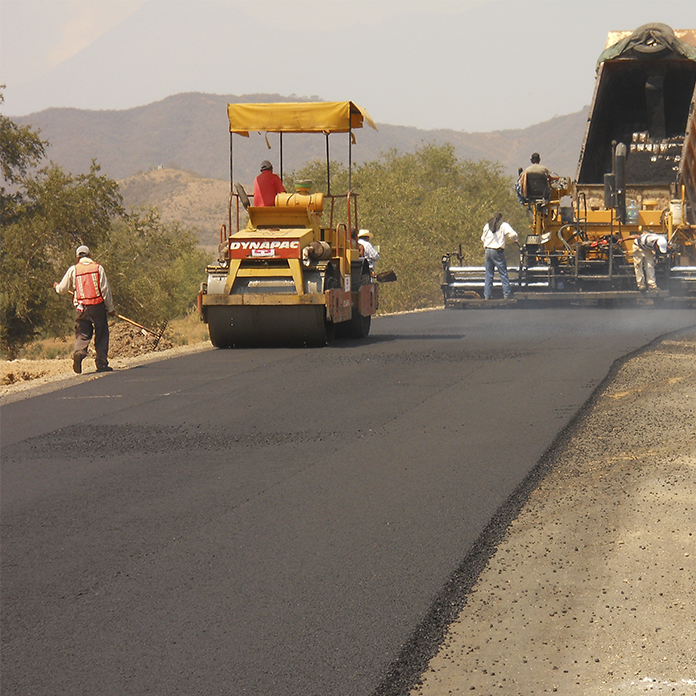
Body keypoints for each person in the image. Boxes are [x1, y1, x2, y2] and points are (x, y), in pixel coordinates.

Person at [54, 245, 115, 374]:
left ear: (77, 257)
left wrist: (56, 287)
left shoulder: (73, 269)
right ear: (90, 255)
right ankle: (101, 363)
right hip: (98, 306)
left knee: (82, 333)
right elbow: (105, 290)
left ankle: (79, 352)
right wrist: (110, 308)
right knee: (102, 333)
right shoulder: (98, 268)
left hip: (81, 308)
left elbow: (62, 290)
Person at [481, 213, 518, 300]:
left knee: (489, 274)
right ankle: (507, 294)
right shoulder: (503, 225)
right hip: (497, 251)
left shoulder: (487, 225)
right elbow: (513, 235)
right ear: (501, 218)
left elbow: (482, 238)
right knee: (503, 273)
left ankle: (487, 295)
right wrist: (515, 240)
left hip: (487, 251)